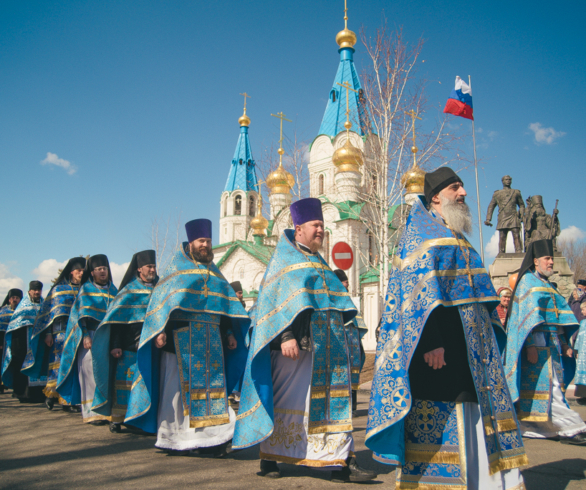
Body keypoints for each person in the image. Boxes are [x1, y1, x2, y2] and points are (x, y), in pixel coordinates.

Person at [366, 168, 527, 489]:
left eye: (463, 186)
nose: (464, 192)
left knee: (474, 420)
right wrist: (430, 343)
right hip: (440, 356)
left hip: (473, 355)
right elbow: (413, 299)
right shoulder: (421, 237)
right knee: (446, 422)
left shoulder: (457, 237)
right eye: (456, 187)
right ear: (436, 197)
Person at [234, 198, 376, 483]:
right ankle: (271, 457)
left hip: (325, 349)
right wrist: (286, 336)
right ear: (298, 228)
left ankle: (342, 461)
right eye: (316, 225)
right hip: (292, 350)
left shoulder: (319, 262)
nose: (321, 230)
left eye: (323, 225)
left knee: (331, 405)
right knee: (287, 406)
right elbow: (272, 305)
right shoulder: (283, 260)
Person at [125, 219, 249, 456]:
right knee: (177, 395)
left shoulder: (215, 273)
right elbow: (161, 305)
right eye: (202, 241)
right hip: (179, 342)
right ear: (190, 243)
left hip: (212, 341)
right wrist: (159, 331)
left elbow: (224, 308)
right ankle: (176, 439)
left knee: (213, 393)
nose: (206, 245)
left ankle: (213, 439)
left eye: (209, 241)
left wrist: (230, 333)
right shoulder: (175, 269)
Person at [504, 239, 586, 444]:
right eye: (547, 258)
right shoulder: (527, 282)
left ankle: (533, 427)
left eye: (551, 258)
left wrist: (566, 343)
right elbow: (523, 320)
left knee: (548, 390)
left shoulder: (547, 284)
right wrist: (530, 345)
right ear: (535, 261)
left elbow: (558, 316)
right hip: (537, 345)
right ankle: (572, 427)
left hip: (553, 344)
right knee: (552, 389)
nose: (551, 262)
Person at [91, 250, 158, 433]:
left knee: (145, 385)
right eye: (149, 267)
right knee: (124, 385)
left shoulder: (159, 289)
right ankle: (118, 418)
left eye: (154, 266)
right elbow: (117, 323)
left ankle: (141, 419)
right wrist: (115, 345)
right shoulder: (128, 291)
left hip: (151, 346)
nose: (152, 269)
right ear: (139, 269)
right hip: (129, 347)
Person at [56, 255, 118, 424]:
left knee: (107, 374)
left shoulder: (114, 290)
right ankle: (91, 412)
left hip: (109, 337)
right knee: (90, 373)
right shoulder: (86, 289)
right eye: (99, 269)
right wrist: (84, 335)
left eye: (105, 269)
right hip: (90, 336)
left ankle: (105, 409)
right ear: (92, 272)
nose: (103, 272)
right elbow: (79, 317)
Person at [22, 257, 86, 411]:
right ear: (71, 272)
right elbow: (48, 314)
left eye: (83, 271)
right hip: (60, 333)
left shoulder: (85, 289)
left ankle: (68, 400)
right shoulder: (58, 289)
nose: (81, 273)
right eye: (79, 271)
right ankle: (51, 395)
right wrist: (48, 333)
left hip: (79, 333)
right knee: (59, 366)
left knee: (75, 367)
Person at [1, 281, 45, 402]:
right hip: (24, 343)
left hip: (41, 342)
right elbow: (15, 326)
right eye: (34, 290)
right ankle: (24, 394)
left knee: (40, 364)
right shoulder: (23, 307)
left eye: (39, 290)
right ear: (29, 291)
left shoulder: (44, 304)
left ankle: (41, 394)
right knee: (23, 365)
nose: (36, 292)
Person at [334, 269, 367, 413]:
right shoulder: (333, 297)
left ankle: (352, 406)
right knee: (341, 374)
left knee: (353, 372)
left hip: (353, 342)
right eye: (345, 281)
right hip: (341, 342)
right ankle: (342, 408)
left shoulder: (347, 299)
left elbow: (357, 321)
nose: (347, 283)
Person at [484, 175, 525, 253]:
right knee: (502, 236)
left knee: (516, 235)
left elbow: (522, 205)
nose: (508, 181)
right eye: (506, 179)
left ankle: (519, 251)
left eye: (509, 179)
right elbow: (491, 206)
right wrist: (488, 219)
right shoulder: (497, 193)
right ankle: (501, 253)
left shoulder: (516, 192)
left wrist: (521, 214)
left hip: (513, 216)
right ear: (502, 181)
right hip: (503, 217)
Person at [0, 289, 23, 394]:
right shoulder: (2, 311)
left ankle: (16, 388)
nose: (15, 300)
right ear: (9, 300)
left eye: (17, 298)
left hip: (17, 343)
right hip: (3, 344)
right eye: (13, 298)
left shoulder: (22, 311)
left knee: (15, 366)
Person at [573, 302, 586, 405]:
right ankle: (583, 394)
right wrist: (576, 350)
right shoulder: (582, 323)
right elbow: (579, 338)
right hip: (582, 353)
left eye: (583, 309)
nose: (581, 311)